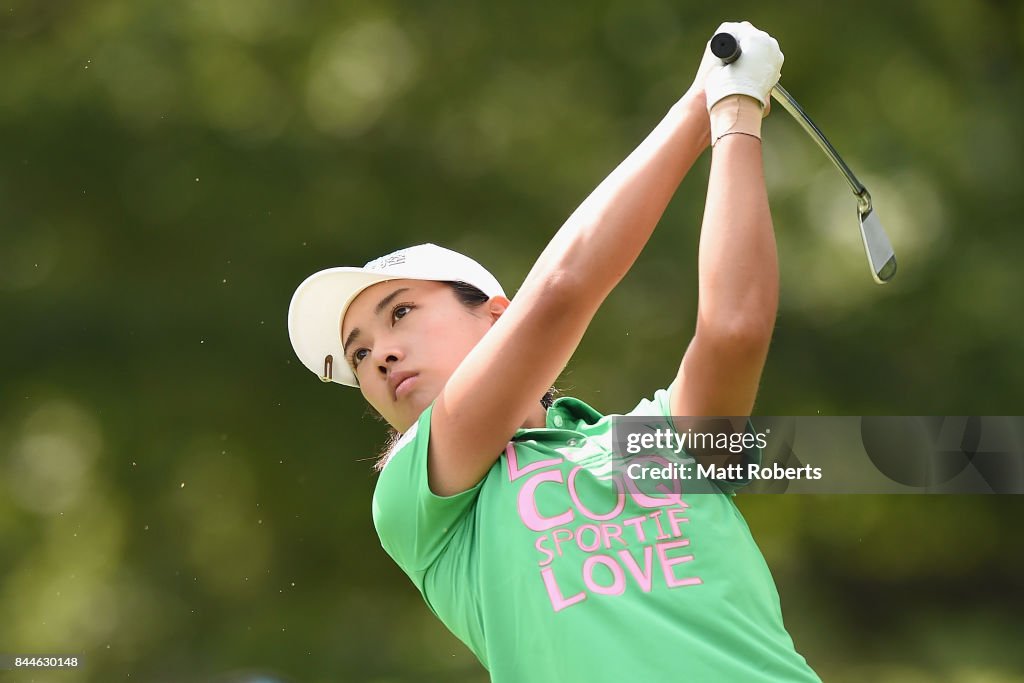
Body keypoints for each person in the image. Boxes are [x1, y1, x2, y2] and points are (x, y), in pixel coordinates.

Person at [287, 20, 822, 682]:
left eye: (400, 313)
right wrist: (696, 103)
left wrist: (736, 108)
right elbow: (561, 294)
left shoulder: (655, 440)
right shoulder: (415, 499)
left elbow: (736, 328)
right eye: (359, 354)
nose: (382, 356)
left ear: (495, 317)